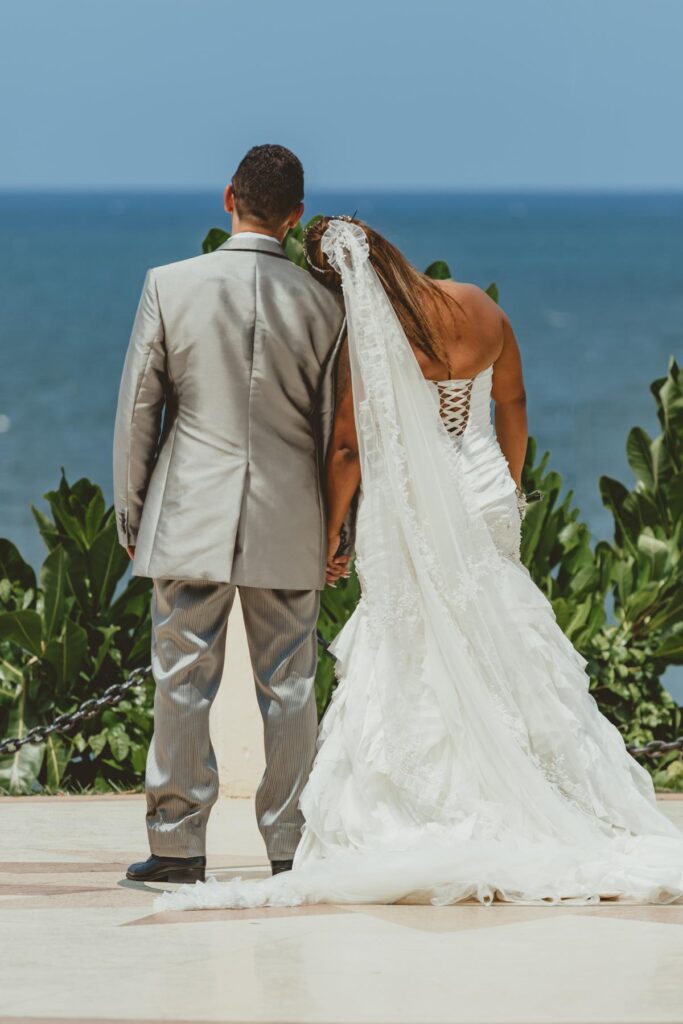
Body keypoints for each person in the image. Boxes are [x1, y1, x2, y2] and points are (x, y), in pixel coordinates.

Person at [159, 216, 683, 910]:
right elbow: (512, 401)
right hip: (486, 486)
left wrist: (332, 532)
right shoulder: (478, 304)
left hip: (409, 505)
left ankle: (442, 800)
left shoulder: (371, 341)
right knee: (498, 633)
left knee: (413, 645)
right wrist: (507, 484)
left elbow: (346, 448)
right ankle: (544, 788)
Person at [113, 146, 345, 884]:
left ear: (228, 198)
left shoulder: (169, 284)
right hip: (291, 517)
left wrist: (133, 518)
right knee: (292, 685)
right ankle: (290, 847)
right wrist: (339, 529)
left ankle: (177, 847)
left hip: (187, 516)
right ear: (295, 215)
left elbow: (137, 415)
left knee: (180, 679)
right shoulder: (324, 302)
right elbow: (337, 427)